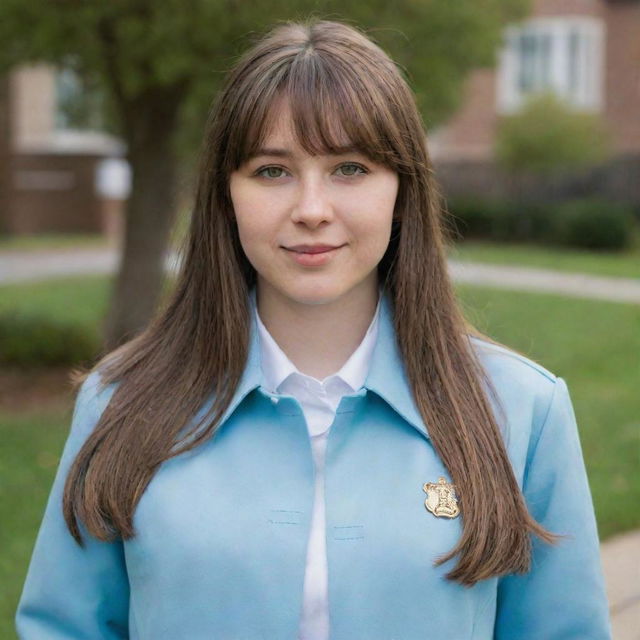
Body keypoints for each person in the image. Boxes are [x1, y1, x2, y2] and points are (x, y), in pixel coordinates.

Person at [16, 18, 611, 640]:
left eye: (350, 168)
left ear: (402, 192)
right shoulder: (119, 403)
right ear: (227, 195)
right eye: (272, 171)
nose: (311, 210)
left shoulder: (522, 411)